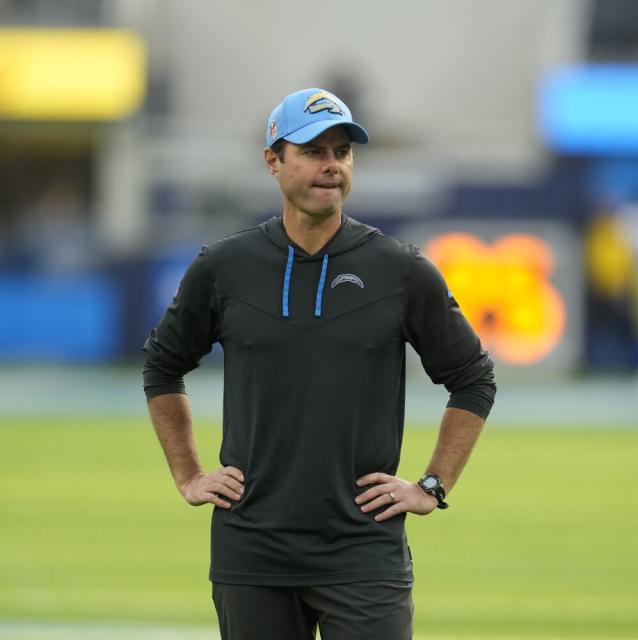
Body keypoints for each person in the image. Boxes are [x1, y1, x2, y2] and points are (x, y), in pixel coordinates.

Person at [143, 87, 496, 639]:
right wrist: (188, 475)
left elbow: (473, 377)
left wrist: (432, 485)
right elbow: (162, 365)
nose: (331, 165)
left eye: (342, 151)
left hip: (363, 552)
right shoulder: (224, 266)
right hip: (252, 552)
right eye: (312, 151)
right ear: (273, 161)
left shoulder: (401, 270)